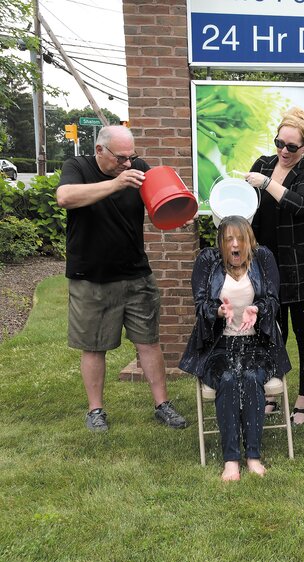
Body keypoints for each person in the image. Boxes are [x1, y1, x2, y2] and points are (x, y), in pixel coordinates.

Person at [56, 125, 187, 432]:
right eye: (121, 158)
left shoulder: (137, 168)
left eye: (132, 157)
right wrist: (115, 184)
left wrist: (179, 210)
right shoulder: (78, 167)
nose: (128, 164)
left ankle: (162, 405)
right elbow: (65, 197)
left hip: (135, 274)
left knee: (149, 343)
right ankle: (96, 410)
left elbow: (165, 200)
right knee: (93, 346)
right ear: (100, 150)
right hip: (91, 276)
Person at [179, 216, 289, 481]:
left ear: (249, 240)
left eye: (240, 238)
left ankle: (252, 455)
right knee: (227, 379)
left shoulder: (263, 259)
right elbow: (200, 304)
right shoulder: (208, 261)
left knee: (251, 378)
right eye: (229, 239)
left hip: (258, 343)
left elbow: (273, 300)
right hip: (218, 344)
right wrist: (217, 311)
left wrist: (258, 309)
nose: (235, 245)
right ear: (221, 244)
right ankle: (231, 460)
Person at [245, 107, 304, 426]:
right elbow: (246, 209)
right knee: (270, 335)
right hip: (265, 268)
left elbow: (303, 206)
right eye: (280, 143)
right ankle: (271, 395)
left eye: (292, 146)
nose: (283, 150)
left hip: (303, 269)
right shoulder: (262, 164)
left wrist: (267, 184)